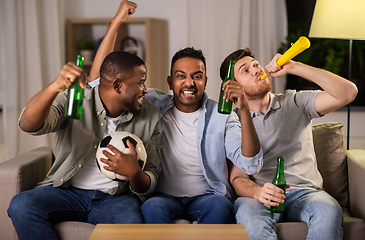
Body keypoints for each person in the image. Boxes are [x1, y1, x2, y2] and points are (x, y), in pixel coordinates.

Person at [88, 1, 263, 224]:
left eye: (197, 76)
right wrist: (116, 23)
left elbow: (249, 164)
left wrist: (244, 110)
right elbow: (97, 82)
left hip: (207, 196)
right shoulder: (151, 103)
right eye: (181, 76)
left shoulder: (223, 115)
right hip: (161, 196)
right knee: (151, 209)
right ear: (170, 82)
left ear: (206, 81)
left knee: (221, 207)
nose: (189, 83)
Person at [7, 3, 163, 239]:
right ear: (118, 86)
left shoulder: (150, 115)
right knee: (21, 204)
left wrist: (133, 173)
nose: (146, 89)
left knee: (130, 222)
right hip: (66, 191)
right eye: (141, 83)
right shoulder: (76, 100)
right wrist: (54, 87)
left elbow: (150, 179)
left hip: (115, 198)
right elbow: (28, 125)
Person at [220, 48, 358, 239]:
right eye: (245, 71)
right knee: (247, 213)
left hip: (306, 193)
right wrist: (258, 191)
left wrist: (294, 67)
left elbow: (348, 93)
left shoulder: (296, 102)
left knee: (329, 210)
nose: (256, 70)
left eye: (256, 65)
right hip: (261, 197)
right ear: (232, 87)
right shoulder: (234, 122)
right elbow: (238, 178)